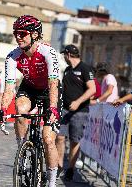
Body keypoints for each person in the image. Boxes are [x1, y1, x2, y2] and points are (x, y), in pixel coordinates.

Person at [0, 15, 61, 187]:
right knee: (20, 109)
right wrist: (2, 109)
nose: (18, 37)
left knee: (48, 139)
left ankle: (52, 182)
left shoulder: (48, 52)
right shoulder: (12, 56)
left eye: (22, 33)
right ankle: (23, 148)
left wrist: (52, 108)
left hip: (49, 90)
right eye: (16, 33)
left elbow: (54, 83)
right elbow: (10, 88)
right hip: (29, 86)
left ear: (35, 35)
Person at [56, 44, 96, 181]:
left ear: (68, 55)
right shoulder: (67, 70)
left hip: (80, 111)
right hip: (65, 110)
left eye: (64, 55)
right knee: (59, 137)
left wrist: (78, 102)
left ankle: (71, 169)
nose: (64, 58)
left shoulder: (85, 68)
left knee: (74, 141)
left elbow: (92, 89)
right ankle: (59, 165)